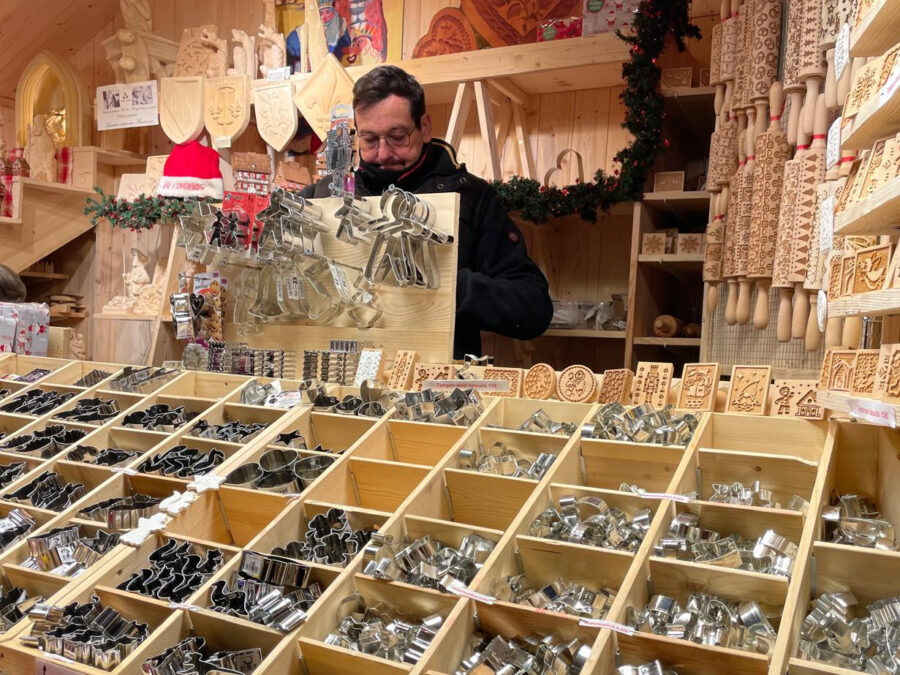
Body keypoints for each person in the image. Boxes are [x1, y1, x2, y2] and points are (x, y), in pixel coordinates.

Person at [302, 65, 553, 359]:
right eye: (369, 140)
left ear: (424, 127)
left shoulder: (472, 198)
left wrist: (447, 284)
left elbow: (533, 308)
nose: (383, 153)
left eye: (398, 137)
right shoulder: (319, 197)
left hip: (436, 388)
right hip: (338, 383)